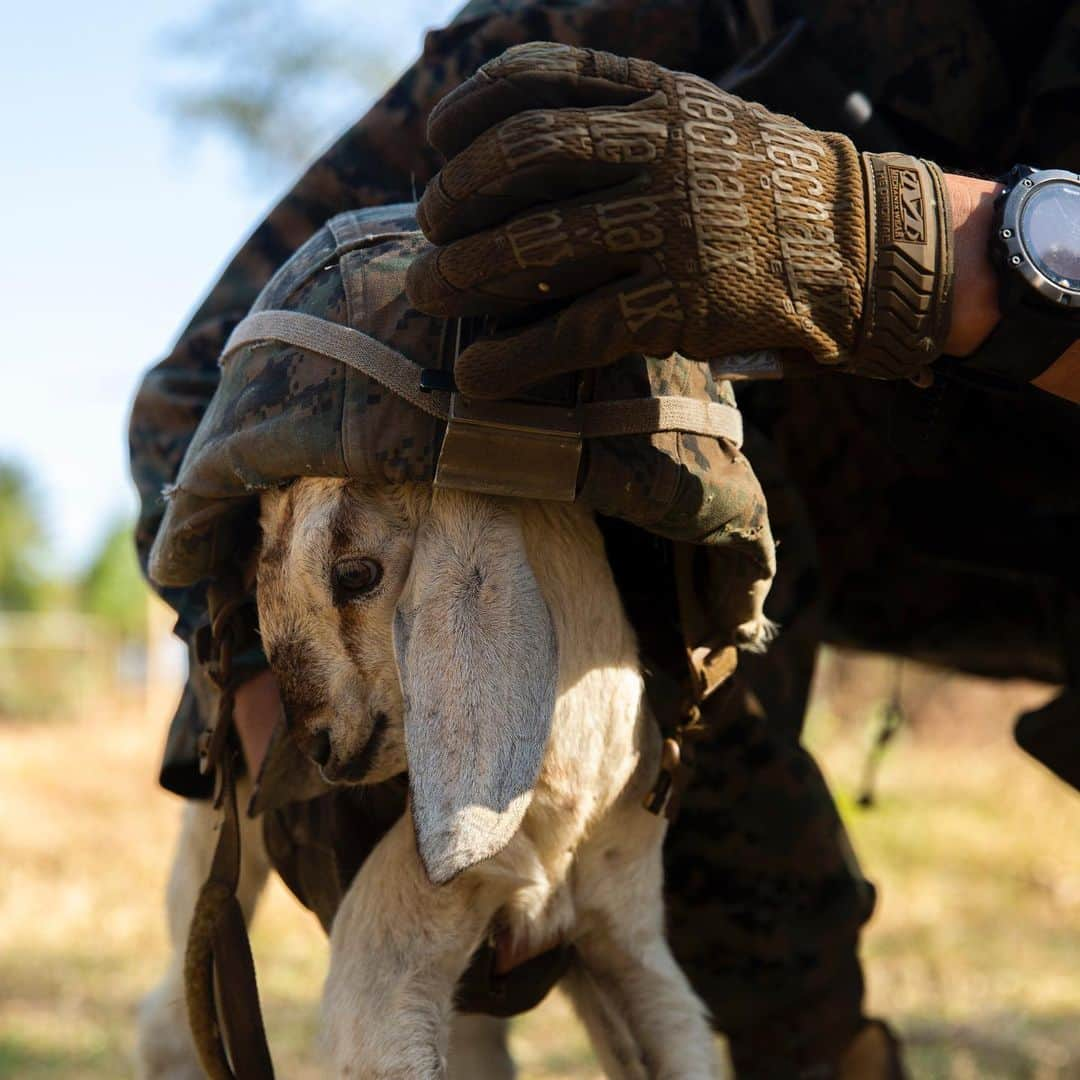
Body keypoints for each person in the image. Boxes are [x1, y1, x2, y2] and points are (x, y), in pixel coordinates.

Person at [129, 2, 1080, 1075]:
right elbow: (202, 393)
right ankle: (813, 1043)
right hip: (773, 519)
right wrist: (279, 728)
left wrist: (907, 247)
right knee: (593, 536)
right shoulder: (638, 28)